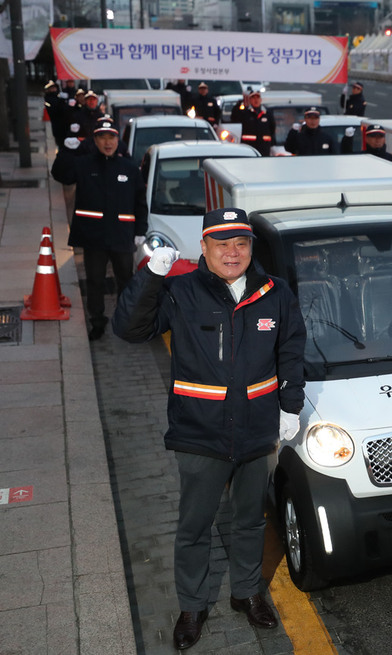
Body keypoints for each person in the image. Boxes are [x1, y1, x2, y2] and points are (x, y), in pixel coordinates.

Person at [111, 208, 306, 651]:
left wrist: (289, 408)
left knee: (249, 520)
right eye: (221, 243)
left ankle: (246, 592)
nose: (232, 252)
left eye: (241, 243)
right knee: (194, 526)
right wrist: (150, 274)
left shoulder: (276, 294)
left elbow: (292, 351)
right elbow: (129, 328)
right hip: (199, 433)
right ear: (203, 247)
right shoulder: (181, 290)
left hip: (258, 431)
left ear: (251, 248)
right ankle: (193, 604)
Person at [50, 118, 147, 340]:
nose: (107, 142)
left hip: (122, 236)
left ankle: (125, 321)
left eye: (111, 137)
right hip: (94, 237)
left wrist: (141, 229)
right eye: (102, 137)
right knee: (95, 281)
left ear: (117, 140)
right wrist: (66, 150)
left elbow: (140, 202)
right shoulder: (84, 164)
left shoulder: (130, 168)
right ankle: (97, 322)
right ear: (95, 140)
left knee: (126, 280)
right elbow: (59, 174)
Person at [238, 90, 275, 156]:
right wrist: (240, 104)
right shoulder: (245, 113)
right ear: (250, 100)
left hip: (264, 147)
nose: (256, 100)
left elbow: (272, 128)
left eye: (257, 97)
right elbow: (235, 117)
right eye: (253, 98)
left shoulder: (267, 113)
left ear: (260, 99)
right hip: (249, 147)